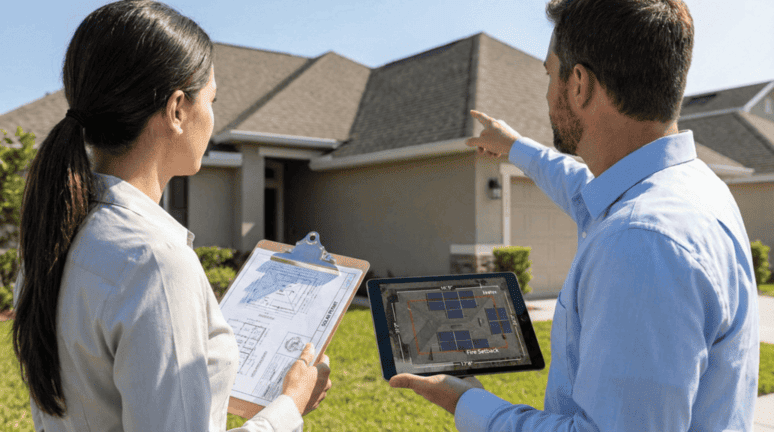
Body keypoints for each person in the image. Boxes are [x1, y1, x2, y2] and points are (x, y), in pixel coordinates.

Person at [389, 0, 760, 430]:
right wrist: (515, 147)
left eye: (550, 74)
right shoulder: (689, 187)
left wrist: (468, 403)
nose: (547, 93)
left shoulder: (642, 240)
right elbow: (578, 187)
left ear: (579, 83)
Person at [12, 1, 330, 431]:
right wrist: (290, 405)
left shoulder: (55, 237)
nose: (213, 117)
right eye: (211, 99)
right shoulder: (155, 262)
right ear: (178, 109)